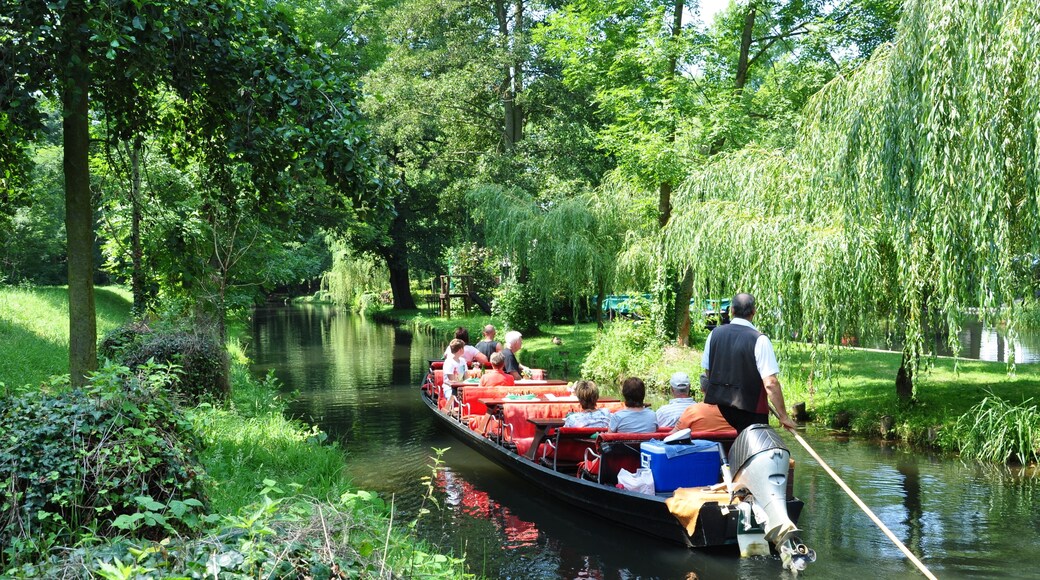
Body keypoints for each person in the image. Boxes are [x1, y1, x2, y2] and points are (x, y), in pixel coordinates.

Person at [702, 293, 796, 433]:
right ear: (754, 311)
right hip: (752, 411)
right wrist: (784, 416)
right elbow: (770, 383)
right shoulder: (760, 340)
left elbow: (709, 371)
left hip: (722, 408)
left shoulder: (713, 334)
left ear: (732, 310)